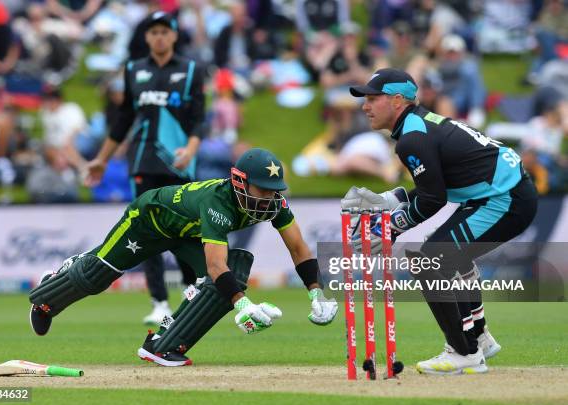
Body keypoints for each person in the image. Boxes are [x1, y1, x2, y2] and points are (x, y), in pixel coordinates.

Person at [29, 148, 338, 366]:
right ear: (239, 181)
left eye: (274, 190)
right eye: (263, 189)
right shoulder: (219, 202)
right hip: (148, 220)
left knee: (228, 277)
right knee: (96, 277)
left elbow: (299, 248)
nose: (269, 198)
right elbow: (216, 264)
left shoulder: (274, 204)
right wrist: (243, 306)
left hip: (186, 233)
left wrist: (317, 294)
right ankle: (48, 294)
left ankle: (162, 346)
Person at [342, 68, 537, 375]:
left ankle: (464, 352)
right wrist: (388, 201)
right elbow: (432, 188)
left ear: (396, 101)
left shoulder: (412, 139)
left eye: (372, 98)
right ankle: (479, 338)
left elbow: (433, 200)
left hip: (505, 199)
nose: (365, 106)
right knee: (445, 253)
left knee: (432, 259)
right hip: (502, 193)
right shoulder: (417, 125)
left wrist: (391, 227)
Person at [84, 11, 205, 326]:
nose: (159, 37)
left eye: (165, 31)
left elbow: (198, 118)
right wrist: (102, 158)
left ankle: (192, 289)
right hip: (142, 160)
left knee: (183, 227)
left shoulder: (191, 70)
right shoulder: (134, 70)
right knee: (147, 230)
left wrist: (191, 148)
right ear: (147, 37)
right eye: (154, 32)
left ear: (175, 36)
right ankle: (159, 302)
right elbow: (124, 119)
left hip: (179, 161)